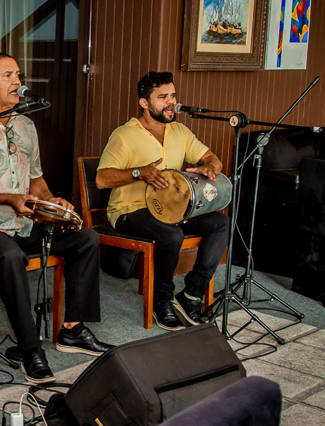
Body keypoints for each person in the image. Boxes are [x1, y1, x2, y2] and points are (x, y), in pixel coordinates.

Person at [0, 53, 112, 384]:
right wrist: (9, 198)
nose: (18, 82)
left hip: (21, 223)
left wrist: (52, 201)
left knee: (85, 238)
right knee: (10, 256)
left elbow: (36, 181)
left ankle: (73, 329)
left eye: (18, 75)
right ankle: (30, 348)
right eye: (8, 75)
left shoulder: (26, 126)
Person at [95, 71, 229, 331]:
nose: (171, 102)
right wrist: (139, 172)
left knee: (221, 223)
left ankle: (191, 295)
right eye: (163, 97)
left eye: (173, 96)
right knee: (171, 235)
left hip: (172, 210)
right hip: (129, 211)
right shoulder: (124, 135)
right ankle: (161, 300)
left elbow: (212, 159)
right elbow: (101, 179)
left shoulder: (180, 131)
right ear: (144, 103)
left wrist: (209, 168)